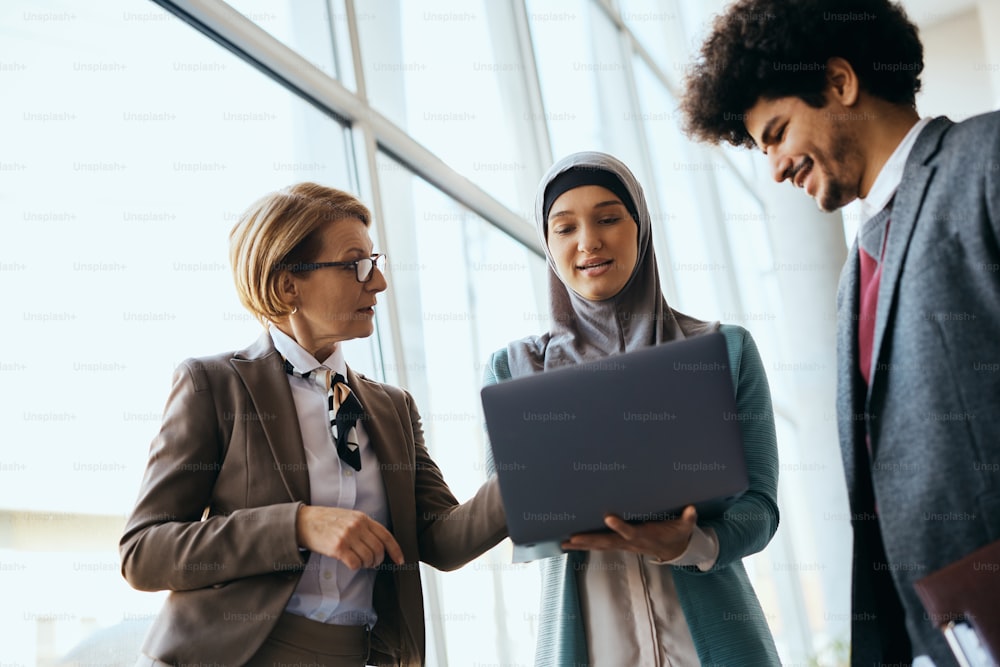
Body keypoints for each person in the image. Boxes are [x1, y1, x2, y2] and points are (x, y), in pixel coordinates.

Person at [680, 1, 1000, 665]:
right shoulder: (854, 275)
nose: (773, 168)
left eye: (776, 133)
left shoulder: (986, 162)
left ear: (839, 83)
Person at [120, 183, 508, 667]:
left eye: (375, 261)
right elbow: (144, 552)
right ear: (288, 285)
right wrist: (299, 525)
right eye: (355, 264)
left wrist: (528, 473)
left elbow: (444, 540)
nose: (379, 282)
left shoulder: (393, 409)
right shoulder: (213, 385)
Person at [483, 151, 781, 666]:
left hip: (714, 645)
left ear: (639, 227)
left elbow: (759, 508)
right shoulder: (514, 371)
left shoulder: (724, 351)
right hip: (593, 646)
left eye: (607, 218)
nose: (588, 241)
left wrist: (693, 543)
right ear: (548, 247)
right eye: (564, 227)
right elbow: (512, 512)